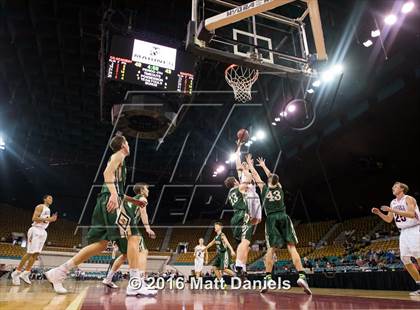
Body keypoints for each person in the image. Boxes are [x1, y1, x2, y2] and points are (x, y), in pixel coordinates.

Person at [45, 135, 157, 296]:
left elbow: (116, 189)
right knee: (134, 237)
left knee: (101, 244)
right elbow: (106, 174)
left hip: (104, 201)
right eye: (127, 142)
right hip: (111, 202)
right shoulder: (119, 155)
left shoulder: (119, 160)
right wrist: (113, 195)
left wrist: (133, 201)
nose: (129, 145)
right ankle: (135, 284)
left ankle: (59, 272)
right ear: (123, 145)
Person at [245, 155, 311, 295]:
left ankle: (268, 278)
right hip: (283, 217)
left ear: (268, 181)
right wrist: (264, 166)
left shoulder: (263, 188)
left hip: (272, 219)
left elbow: (256, 176)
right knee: (292, 247)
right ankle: (302, 276)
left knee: (271, 249)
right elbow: (272, 176)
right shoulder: (279, 187)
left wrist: (252, 165)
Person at [102, 183, 156, 289]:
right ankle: (140, 281)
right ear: (141, 190)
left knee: (125, 255)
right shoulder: (142, 198)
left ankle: (108, 278)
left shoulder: (132, 199)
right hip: (128, 226)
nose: (148, 191)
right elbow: (143, 212)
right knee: (143, 251)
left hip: (119, 225)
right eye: (146, 189)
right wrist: (147, 228)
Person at [372, 181, 420, 296]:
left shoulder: (409, 199)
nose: (393, 188)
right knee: (405, 259)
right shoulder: (393, 202)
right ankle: (419, 285)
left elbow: (411, 214)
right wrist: (379, 213)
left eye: (396, 186)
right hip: (403, 232)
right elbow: (389, 220)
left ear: (402, 188)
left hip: (415, 229)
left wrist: (392, 210)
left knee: (419, 257)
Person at [11, 195, 57, 285]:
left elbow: (45, 221)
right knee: (30, 252)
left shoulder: (48, 210)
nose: (51, 199)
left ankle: (26, 273)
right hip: (35, 230)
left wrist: (51, 220)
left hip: (43, 231)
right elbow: (34, 218)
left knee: (36, 253)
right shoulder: (40, 206)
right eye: (49, 198)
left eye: (52, 198)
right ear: (44, 199)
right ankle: (16, 272)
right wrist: (49, 219)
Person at [224, 173, 251, 279]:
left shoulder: (230, 193)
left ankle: (242, 270)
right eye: (237, 180)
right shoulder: (238, 188)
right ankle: (238, 265)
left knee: (245, 246)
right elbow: (248, 180)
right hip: (242, 215)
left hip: (235, 217)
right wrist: (247, 169)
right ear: (235, 182)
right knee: (246, 241)